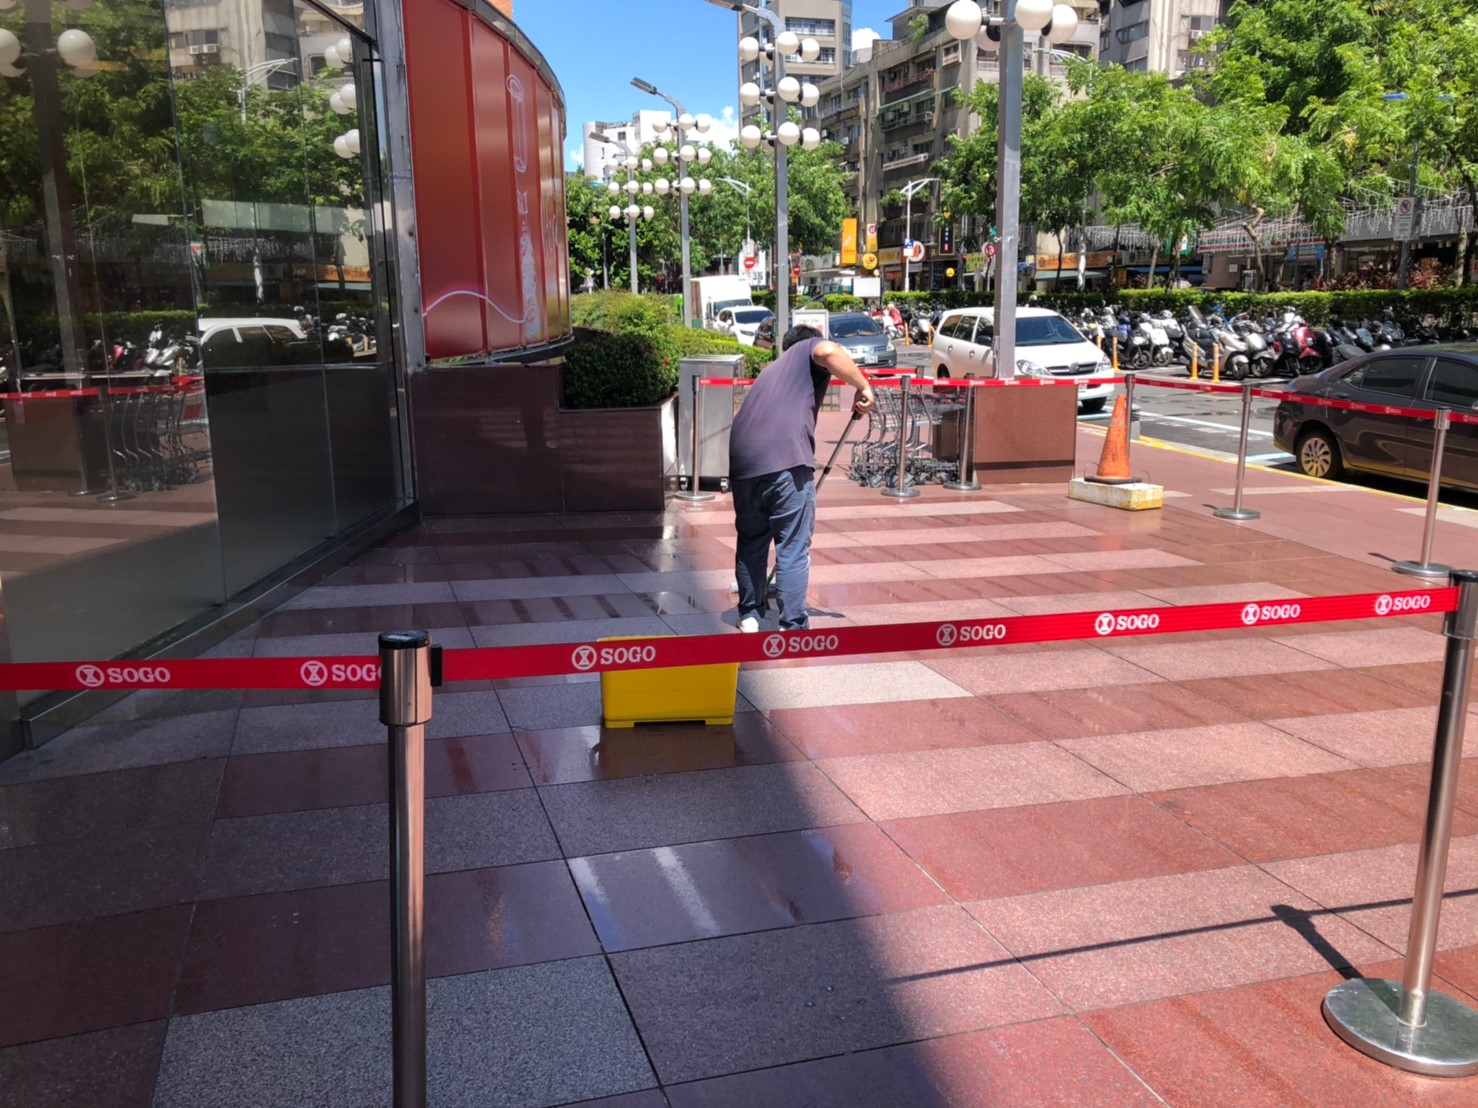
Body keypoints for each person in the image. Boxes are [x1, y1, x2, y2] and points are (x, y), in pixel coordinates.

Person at [728, 324, 875, 632]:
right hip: (785, 460)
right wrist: (863, 386)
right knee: (793, 545)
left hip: (743, 464)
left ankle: (750, 614)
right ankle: (792, 624)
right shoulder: (808, 349)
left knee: (752, 540)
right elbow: (828, 351)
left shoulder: (772, 371)